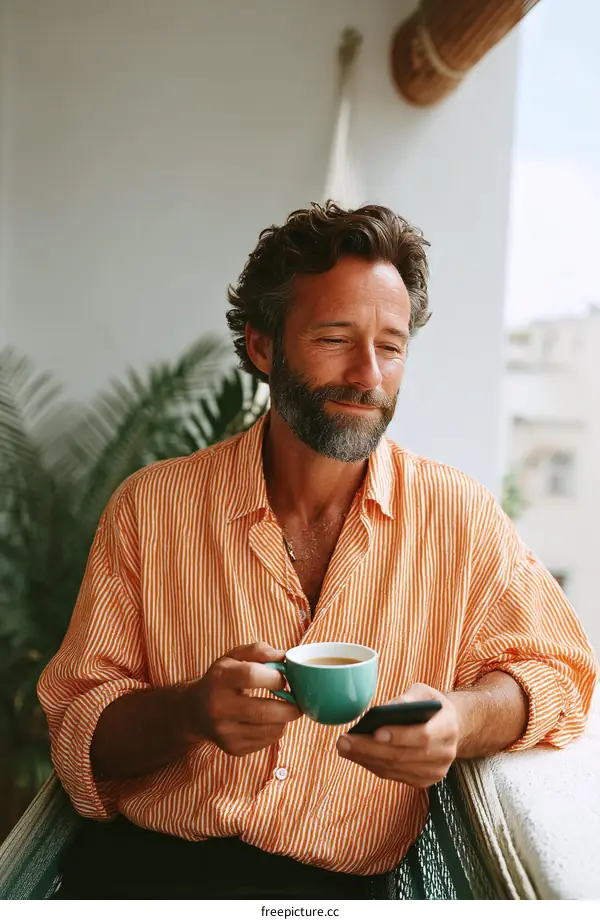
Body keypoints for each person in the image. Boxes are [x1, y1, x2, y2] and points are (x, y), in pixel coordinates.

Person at [38, 202, 597, 900]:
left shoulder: (463, 517)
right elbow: (76, 730)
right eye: (336, 338)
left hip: (338, 898)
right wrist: (189, 713)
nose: (369, 375)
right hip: (146, 877)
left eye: (390, 346)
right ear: (263, 346)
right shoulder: (150, 509)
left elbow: (560, 672)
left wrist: (460, 720)